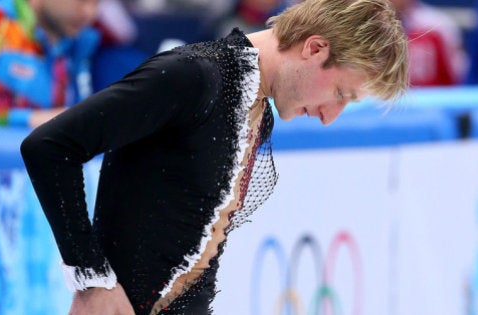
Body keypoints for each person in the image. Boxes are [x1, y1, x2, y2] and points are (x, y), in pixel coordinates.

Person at [20, 0, 408, 314]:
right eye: (340, 93)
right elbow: (50, 146)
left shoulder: (254, 101)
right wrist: (92, 279)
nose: (329, 116)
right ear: (315, 48)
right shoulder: (195, 76)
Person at [0, 0, 100, 127]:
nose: (90, 12)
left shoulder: (83, 39)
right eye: (81, 1)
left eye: (98, 2)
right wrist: (28, 119)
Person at [390, 0, 467, 86]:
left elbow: (458, 75)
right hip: (383, 97)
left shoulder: (437, 26)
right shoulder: (373, 28)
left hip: (434, 97)